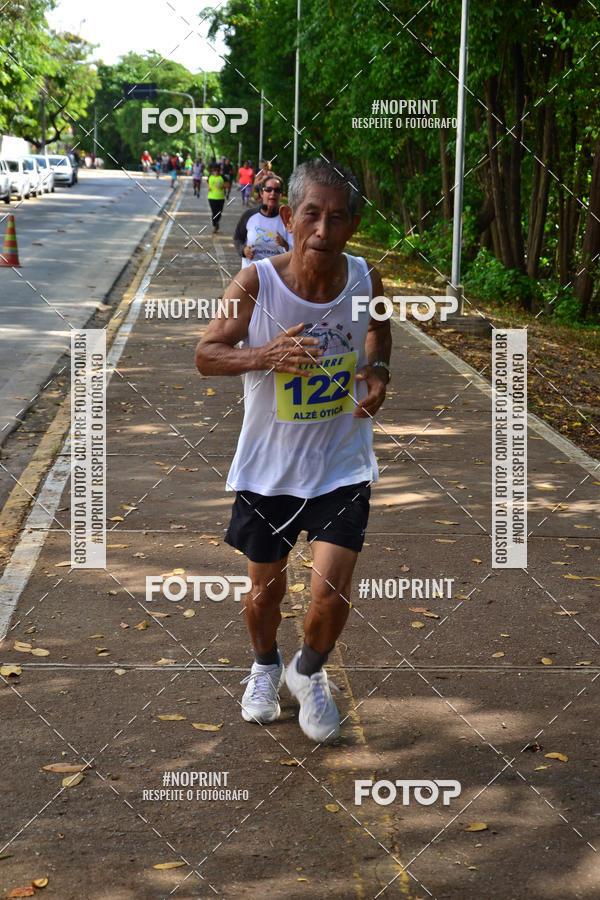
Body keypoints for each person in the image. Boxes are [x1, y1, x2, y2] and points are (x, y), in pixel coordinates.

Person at [195, 158, 392, 743]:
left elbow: (379, 331)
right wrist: (263, 356)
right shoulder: (257, 283)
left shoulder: (366, 280)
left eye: (337, 219)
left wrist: (378, 368)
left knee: (330, 594)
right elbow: (206, 354)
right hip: (269, 469)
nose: (323, 232)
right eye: (312, 216)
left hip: (342, 464)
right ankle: (264, 666)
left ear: (353, 223)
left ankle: (309, 671)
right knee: (265, 592)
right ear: (290, 215)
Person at [233, 174, 293, 267]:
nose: (272, 193)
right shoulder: (249, 215)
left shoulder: (287, 219)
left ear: (281, 195)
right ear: (261, 193)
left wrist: (285, 244)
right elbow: (238, 238)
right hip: (251, 274)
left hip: (277, 274)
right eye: (268, 190)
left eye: (277, 190)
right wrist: (244, 250)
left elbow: (296, 250)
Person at [207, 164, 225, 232]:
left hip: (221, 197)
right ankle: (215, 225)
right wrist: (208, 187)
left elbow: (228, 185)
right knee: (214, 212)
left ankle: (217, 222)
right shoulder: (210, 176)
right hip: (211, 197)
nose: (216, 172)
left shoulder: (222, 177)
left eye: (218, 171)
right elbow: (207, 182)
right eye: (215, 170)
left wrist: (222, 187)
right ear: (213, 171)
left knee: (219, 212)